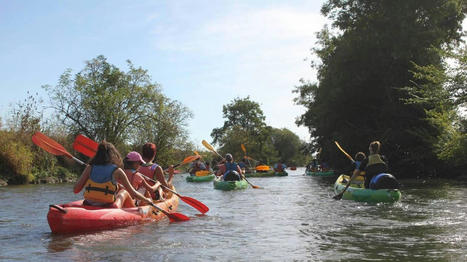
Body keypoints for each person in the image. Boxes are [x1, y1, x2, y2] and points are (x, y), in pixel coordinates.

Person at [74, 141, 152, 208]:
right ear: (114, 155)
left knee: (119, 187)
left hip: (88, 203)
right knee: (124, 192)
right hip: (107, 206)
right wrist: (146, 200)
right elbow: (133, 193)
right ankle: (134, 208)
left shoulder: (89, 168)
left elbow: (76, 190)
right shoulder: (117, 171)